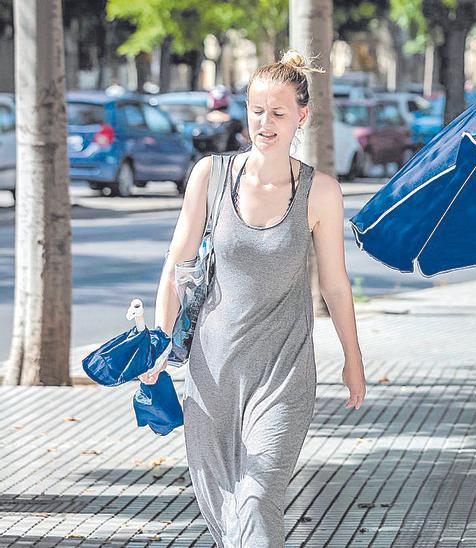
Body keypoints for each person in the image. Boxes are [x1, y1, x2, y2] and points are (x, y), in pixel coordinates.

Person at [143, 50, 367, 547]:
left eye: (279, 113)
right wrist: (159, 340)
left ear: (302, 116)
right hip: (213, 374)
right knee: (226, 511)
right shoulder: (211, 176)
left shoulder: (320, 192)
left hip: (283, 374)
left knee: (258, 499)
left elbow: (335, 284)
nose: (266, 123)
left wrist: (353, 359)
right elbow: (177, 263)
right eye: (257, 111)